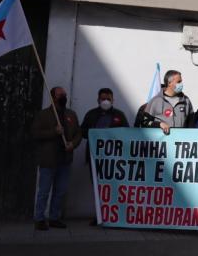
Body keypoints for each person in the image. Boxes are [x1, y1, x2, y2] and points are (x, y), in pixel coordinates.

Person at [31, 87, 82, 231]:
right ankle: (39, 219)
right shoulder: (43, 115)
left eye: (65, 94)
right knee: (44, 191)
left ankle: (54, 217)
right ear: (53, 97)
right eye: (61, 95)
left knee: (60, 191)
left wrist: (73, 143)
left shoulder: (71, 114)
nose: (64, 96)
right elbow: (35, 133)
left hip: (65, 160)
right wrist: (53, 132)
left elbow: (78, 132)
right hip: (49, 160)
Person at [80, 88, 129, 225]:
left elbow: (127, 133)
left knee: (113, 187)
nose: (105, 101)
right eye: (103, 99)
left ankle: (114, 215)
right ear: (98, 100)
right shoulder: (91, 114)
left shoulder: (120, 115)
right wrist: (93, 133)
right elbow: (82, 131)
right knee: (98, 187)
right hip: (95, 158)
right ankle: (99, 216)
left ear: (113, 100)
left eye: (108, 98)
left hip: (114, 160)